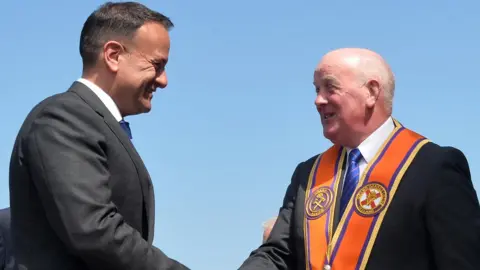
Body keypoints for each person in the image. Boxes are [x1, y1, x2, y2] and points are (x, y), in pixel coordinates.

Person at [239, 48, 480, 270]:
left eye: (330, 87)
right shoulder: (308, 174)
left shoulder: (433, 167)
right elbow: (279, 254)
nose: (318, 100)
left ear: (372, 92)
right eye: (316, 89)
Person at [9, 2, 189, 270]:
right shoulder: (63, 118)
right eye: (157, 64)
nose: (163, 80)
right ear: (113, 55)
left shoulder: (91, 122)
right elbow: (93, 229)